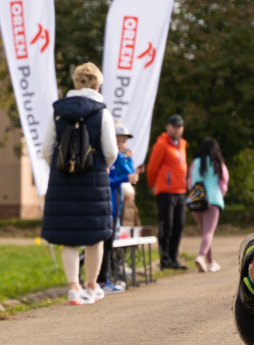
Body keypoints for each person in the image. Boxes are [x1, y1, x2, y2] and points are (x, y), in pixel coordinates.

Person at [41, 62, 117, 305]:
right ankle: (92, 286)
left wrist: (61, 166)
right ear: (97, 85)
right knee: (95, 236)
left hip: (63, 180)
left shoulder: (58, 111)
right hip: (93, 179)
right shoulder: (101, 112)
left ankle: (74, 288)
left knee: (69, 236)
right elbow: (111, 151)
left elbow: (46, 149)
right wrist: (97, 165)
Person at [97, 122, 139, 293]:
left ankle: (103, 280)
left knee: (108, 245)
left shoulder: (119, 157)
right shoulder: (106, 158)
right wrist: (124, 179)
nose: (122, 144)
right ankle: (100, 281)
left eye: (124, 141)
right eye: (118, 140)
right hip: (106, 206)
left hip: (116, 206)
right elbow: (107, 181)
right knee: (102, 245)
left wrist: (129, 159)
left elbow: (131, 175)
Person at [146, 114, 188, 269]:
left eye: (180, 126)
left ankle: (173, 257)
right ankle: (165, 259)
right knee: (167, 225)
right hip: (166, 191)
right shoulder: (162, 145)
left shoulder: (183, 144)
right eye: (174, 126)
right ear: (168, 127)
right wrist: (153, 185)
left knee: (179, 225)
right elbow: (152, 168)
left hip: (180, 191)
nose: (177, 129)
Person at [188, 138, 228, 272]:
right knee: (208, 232)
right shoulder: (218, 163)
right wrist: (219, 195)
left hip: (197, 200)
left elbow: (190, 182)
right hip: (213, 200)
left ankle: (211, 262)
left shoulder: (195, 162)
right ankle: (201, 256)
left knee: (205, 232)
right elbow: (224, 183)